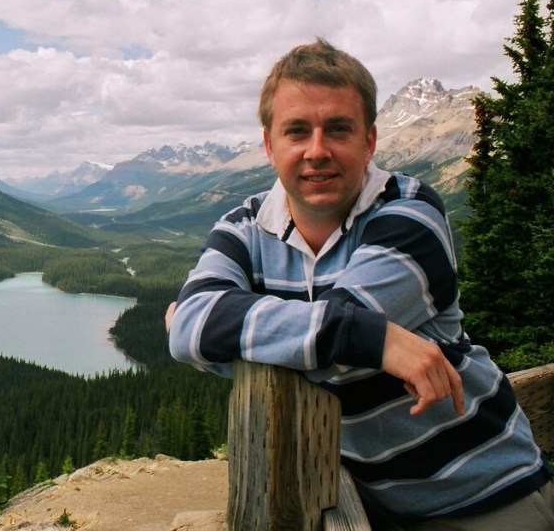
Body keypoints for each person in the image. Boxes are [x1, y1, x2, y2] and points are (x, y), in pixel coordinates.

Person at [165, 38, 553, 530]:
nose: (317, 150)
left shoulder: (410, 214)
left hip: (484, 494)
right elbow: (201, 331)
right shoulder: (243, 226)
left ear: (369, 141)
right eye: (297, 131)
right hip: (370, 504)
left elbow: (333, 360)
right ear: (269, 144)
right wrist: (378, 339)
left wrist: (213, 339)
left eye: (339, 129)